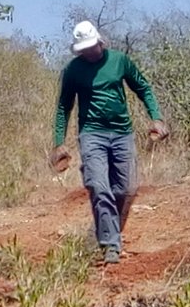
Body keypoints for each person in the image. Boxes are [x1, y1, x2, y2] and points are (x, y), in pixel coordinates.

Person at [49, 20, 166, 265]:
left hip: (122, 133)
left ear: (100, 42)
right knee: (99, 187)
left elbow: (142, 88)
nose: (89, 52)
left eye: (92, 47)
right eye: (84, 49)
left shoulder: (119, 61)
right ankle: (111, 246)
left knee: (125, 189)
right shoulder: (73, 71)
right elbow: (63, 107)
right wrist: (59, 142)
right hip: (92, 134)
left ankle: (107, 230)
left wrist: (156, 117)